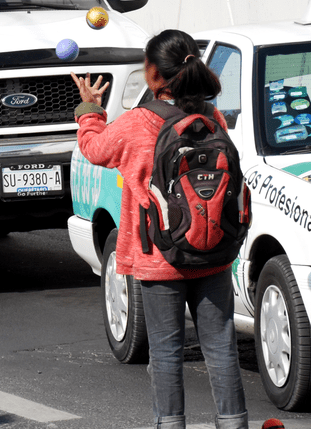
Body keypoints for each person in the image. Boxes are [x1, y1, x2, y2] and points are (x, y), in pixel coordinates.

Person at [71, 29, 248, 429]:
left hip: (158, 255)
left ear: (152, 73)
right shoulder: (211, 117)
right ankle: (234, 424)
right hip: (213, 249)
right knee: (221, 348)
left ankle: (170, 424)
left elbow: (94, 149)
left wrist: (90, 110)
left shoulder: (137, 122)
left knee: (166, 352)